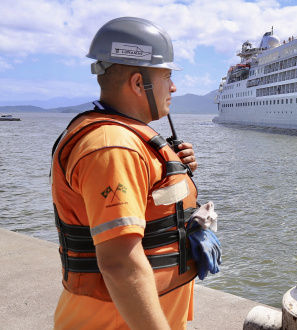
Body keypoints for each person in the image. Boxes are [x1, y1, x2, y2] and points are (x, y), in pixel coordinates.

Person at [51, 17, 219, 329]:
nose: (174, 86)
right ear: (138, 83)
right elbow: (119, 262)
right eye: (167, 76)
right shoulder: (113, 147)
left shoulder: (124, 139)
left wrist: (174, 170)